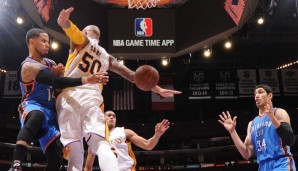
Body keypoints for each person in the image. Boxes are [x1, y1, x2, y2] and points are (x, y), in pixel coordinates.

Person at [56, 7, 181, 171]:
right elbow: (133, 76)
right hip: (90, 98)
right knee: (100, 142)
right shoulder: (107, 58)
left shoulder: (81, 41)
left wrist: (64, 22)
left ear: (86, 34)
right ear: (99, 39)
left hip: (67, 97)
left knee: (73, 146)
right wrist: (157, 89)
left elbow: (74, 32)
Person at [11, 28, 106, 171]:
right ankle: (16, 164)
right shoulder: (27, 66)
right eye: (43, 41)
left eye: (48, 41)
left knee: (56, 158)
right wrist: (87, 79)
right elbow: (56, 82)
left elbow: (58, 90)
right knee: (37, 116)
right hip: (32, 105)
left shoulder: (50, 63)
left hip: (51, 111)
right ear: (31, 42)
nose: (47, 44)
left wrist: (58, 74)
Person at [218, 84, 296, 171]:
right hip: (263, 166)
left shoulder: (279, 113)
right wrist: (232, 132)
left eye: (260, 92)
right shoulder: (252, 124)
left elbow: (290, 140)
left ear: (269, 96)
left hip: (281, 162)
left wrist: (272, 118)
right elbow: (246, 153)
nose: (256, 96)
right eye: (255, 94)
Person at [84, 110, 170, 171]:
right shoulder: (96, 140)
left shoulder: (124, 132)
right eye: (109, 115)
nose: (112, 117)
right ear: (103, 118)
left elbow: (148, 145)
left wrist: (157, 135)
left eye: (114, 116)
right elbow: (88, 167)